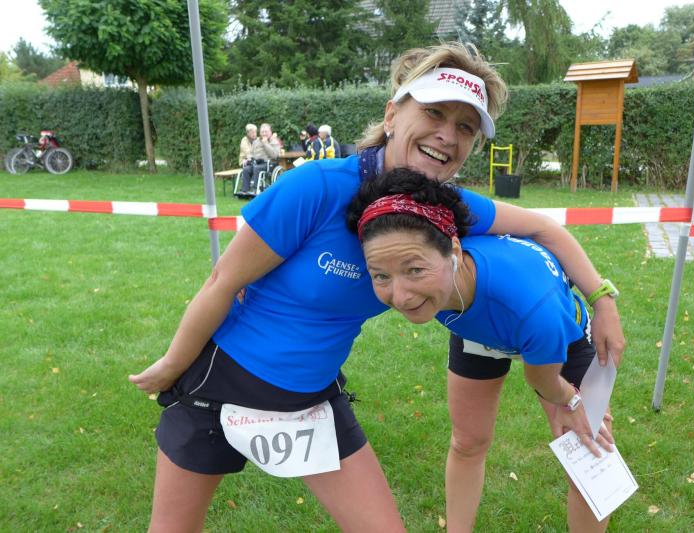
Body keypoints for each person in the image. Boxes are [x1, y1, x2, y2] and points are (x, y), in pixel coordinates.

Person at [129, 42, 624, 532]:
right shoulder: (317, 186)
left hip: (311, 399)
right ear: (391, 114)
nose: (447, 135)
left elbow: (542, 228)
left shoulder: (444, 207)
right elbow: (223, 281)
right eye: (433, 112)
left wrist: (602, 301)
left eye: (465, 127)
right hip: (221, 386)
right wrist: (174, 364)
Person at [347, 168, 618, 532]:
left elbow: (542, 379)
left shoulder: (537, 311)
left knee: (589, 452)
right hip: (477, 324)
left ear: (454, 251)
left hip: (554, 331)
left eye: (414, 270)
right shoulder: (425, 246)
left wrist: (570, 399)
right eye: (381, 276)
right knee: (467, 442)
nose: (401, 296)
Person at [238, 123, 281, 197]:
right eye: (262, 132)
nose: (264, 134)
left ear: (270, 132)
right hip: (256, 162)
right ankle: (245, 191)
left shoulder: (274, 141)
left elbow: (274, 155)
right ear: (260, 133)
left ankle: (255, 189)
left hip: (269, 163)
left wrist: (265, 143)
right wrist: (248, 159)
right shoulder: (256, 141)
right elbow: (251, 153)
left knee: (256, 168)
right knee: (246, 169)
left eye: (266, 132)